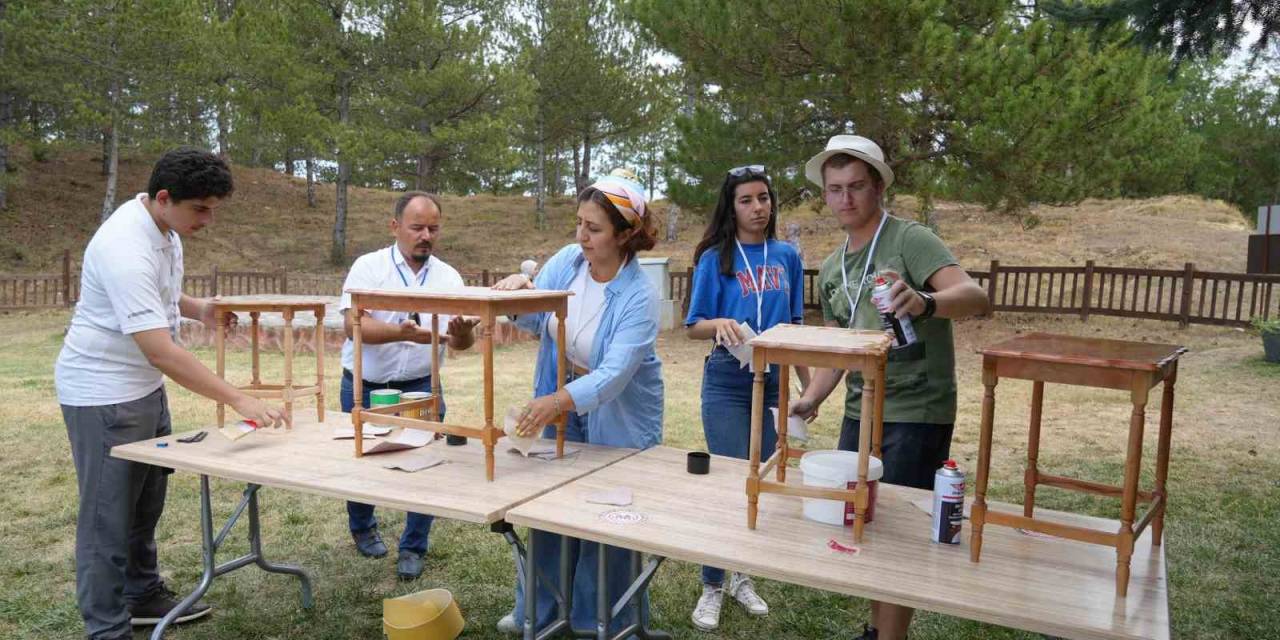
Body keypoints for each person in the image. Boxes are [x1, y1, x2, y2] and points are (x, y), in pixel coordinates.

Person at [55, 148, 288, 639]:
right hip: (102, 395)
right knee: (107, 519)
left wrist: (198, 308)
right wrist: (239, 399)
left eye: (213, 209)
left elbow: (158, 295)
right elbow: (160, 350)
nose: (208, 219)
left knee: (144, 505)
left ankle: (142, 594)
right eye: (201, 209)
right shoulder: (124, 246)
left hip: (142, 389)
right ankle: (106, 629)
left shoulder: (163, 228)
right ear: (164, 198)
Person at [789, 135, 991, 640]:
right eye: (835, 189)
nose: (845, 198)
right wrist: (811, 398)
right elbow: (840, 349)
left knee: (898, 533)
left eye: (856, 186)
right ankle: (878, 629)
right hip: (862, 410)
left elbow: (974, 296)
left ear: (878, 187)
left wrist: (924, 302)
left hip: (917, 407)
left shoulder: (910, 239)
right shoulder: (834, 267)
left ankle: (890, 635)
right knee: (863, 521)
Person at [491, 171, 664, 636]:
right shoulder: (568, 261)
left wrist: (558, 402)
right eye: (579, 223)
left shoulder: (640, 296)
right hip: (561, 396)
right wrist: (515, 296)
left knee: (608, 519)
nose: (581, 236)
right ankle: (539, 611)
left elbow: (612, 377)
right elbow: (535, 320)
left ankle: (600, 621)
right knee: (547, 508)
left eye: (594, 228)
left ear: (626, 234)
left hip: (618, 412)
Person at [683, 165, 809, 631]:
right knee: (730, 478)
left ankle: (743, 574)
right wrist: (719, 325)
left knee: (762, 477)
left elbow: (794, 329)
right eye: (747, 201)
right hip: (727, 381)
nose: (758, 208)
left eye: (764, 198)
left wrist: (807, 390)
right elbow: (694, 325)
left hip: (774, 381)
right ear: (730, 208)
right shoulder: (717, 257)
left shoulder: (787, 257)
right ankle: (712, 584)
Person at [337, 191, 478, 580]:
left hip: (421, 385)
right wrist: (403, 333)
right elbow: (353, 325)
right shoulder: (368, 267)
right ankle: (363, 528)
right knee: (362, 462)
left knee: (427, 465)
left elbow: (462, 344)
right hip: (364, 384)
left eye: (433, 228)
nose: (425, 236)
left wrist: (462, 334)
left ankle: (413, 546)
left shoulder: (449, 278)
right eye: (417, 227)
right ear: (395, 226)